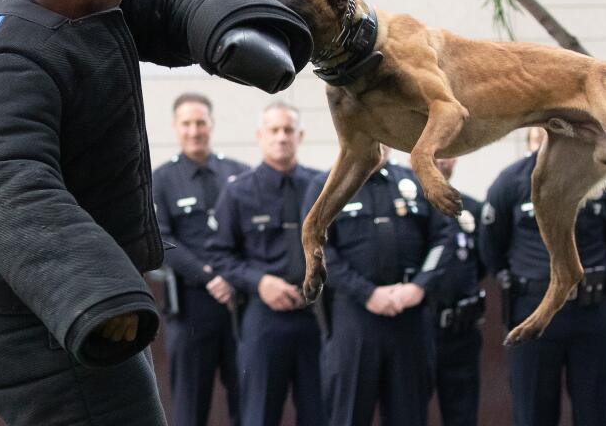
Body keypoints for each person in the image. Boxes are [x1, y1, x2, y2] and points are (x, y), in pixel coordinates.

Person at [0, 0, 312, 426]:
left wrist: (228, 24)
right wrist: (97, 291)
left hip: (73, 302)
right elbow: (4, 183)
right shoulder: (6, 64)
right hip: (33, 315)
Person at [480, 127, 606, 426]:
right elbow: (491, 245)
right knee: (533, 411)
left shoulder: (601, 177)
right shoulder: (512, 181)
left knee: (594, 410)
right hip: (533, 310)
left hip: (591, 310)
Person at [303, 145, 456, 426]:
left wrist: (419, 286)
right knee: (348, 414)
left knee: (410, 415)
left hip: (409, 316)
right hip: (355, 317)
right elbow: (320, 249)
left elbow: (444, 237)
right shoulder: (326, 186)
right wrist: (367, 293)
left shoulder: (416, 180)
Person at [206, 102, 325, 426]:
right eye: (274, 130)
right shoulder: (238, 191)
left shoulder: (321, 188)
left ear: (300, 135)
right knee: (259, 414)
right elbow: (219, 254)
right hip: (263, 317)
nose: (282, 137)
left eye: (288, 130)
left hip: (316, 318)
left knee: (320, 413)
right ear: (260, 136)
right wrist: (259, 282)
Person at [152, 93, 249, 426]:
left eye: (200, 122)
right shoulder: (161, 180)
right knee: (191, 408)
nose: (195, 130)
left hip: (241, 305)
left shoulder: (238, 174)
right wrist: (209, 277)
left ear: (211, 124)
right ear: (176, 128)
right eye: (187, 124)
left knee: (249, 404)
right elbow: (161, 240)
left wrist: (232, 278)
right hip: (192, 308)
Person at [430, 157, 486, 426]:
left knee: (463, 415)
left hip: (461, 332)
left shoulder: (472, 210)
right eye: (433, 152)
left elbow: (485, 262)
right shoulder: (410, 207)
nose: (440, 160)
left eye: (447, 152)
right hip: (417, 332)